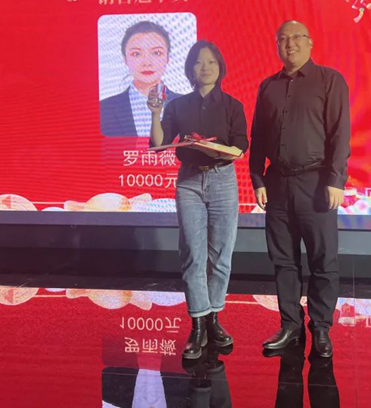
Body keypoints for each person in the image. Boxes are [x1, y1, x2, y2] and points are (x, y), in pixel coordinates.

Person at [250, 20, 350, 358]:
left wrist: (336, 179)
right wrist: (257, 178)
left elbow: (340, 133)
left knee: (323, 259)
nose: (289, 44)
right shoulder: (268, 87)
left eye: (296, 38)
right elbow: (258, 136)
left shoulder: (329, 80)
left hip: (316, 183)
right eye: (282, 39)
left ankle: (321, 327)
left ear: (310, 43)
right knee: (283, 260)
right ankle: (290, 324)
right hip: (277, 183)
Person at [149, 40, 248, 360]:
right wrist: (156, 113)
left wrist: (215, 149)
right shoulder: (178, 106)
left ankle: (214, 320)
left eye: (211, 62)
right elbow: (158, 144)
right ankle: (198, 325)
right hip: (189, 182)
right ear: (190, 69)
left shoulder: (232, 105)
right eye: (199, 62)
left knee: (221, 256)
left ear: (220, 68)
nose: (205, 67)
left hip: (222, 181)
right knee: (193, 254)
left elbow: (240, 146)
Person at [100, 21, 180, 137]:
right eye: (136, 54)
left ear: (167, 58)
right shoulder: (104, 109)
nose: (147, 63)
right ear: (125, 59)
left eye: (157, 53)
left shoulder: (188, 106)